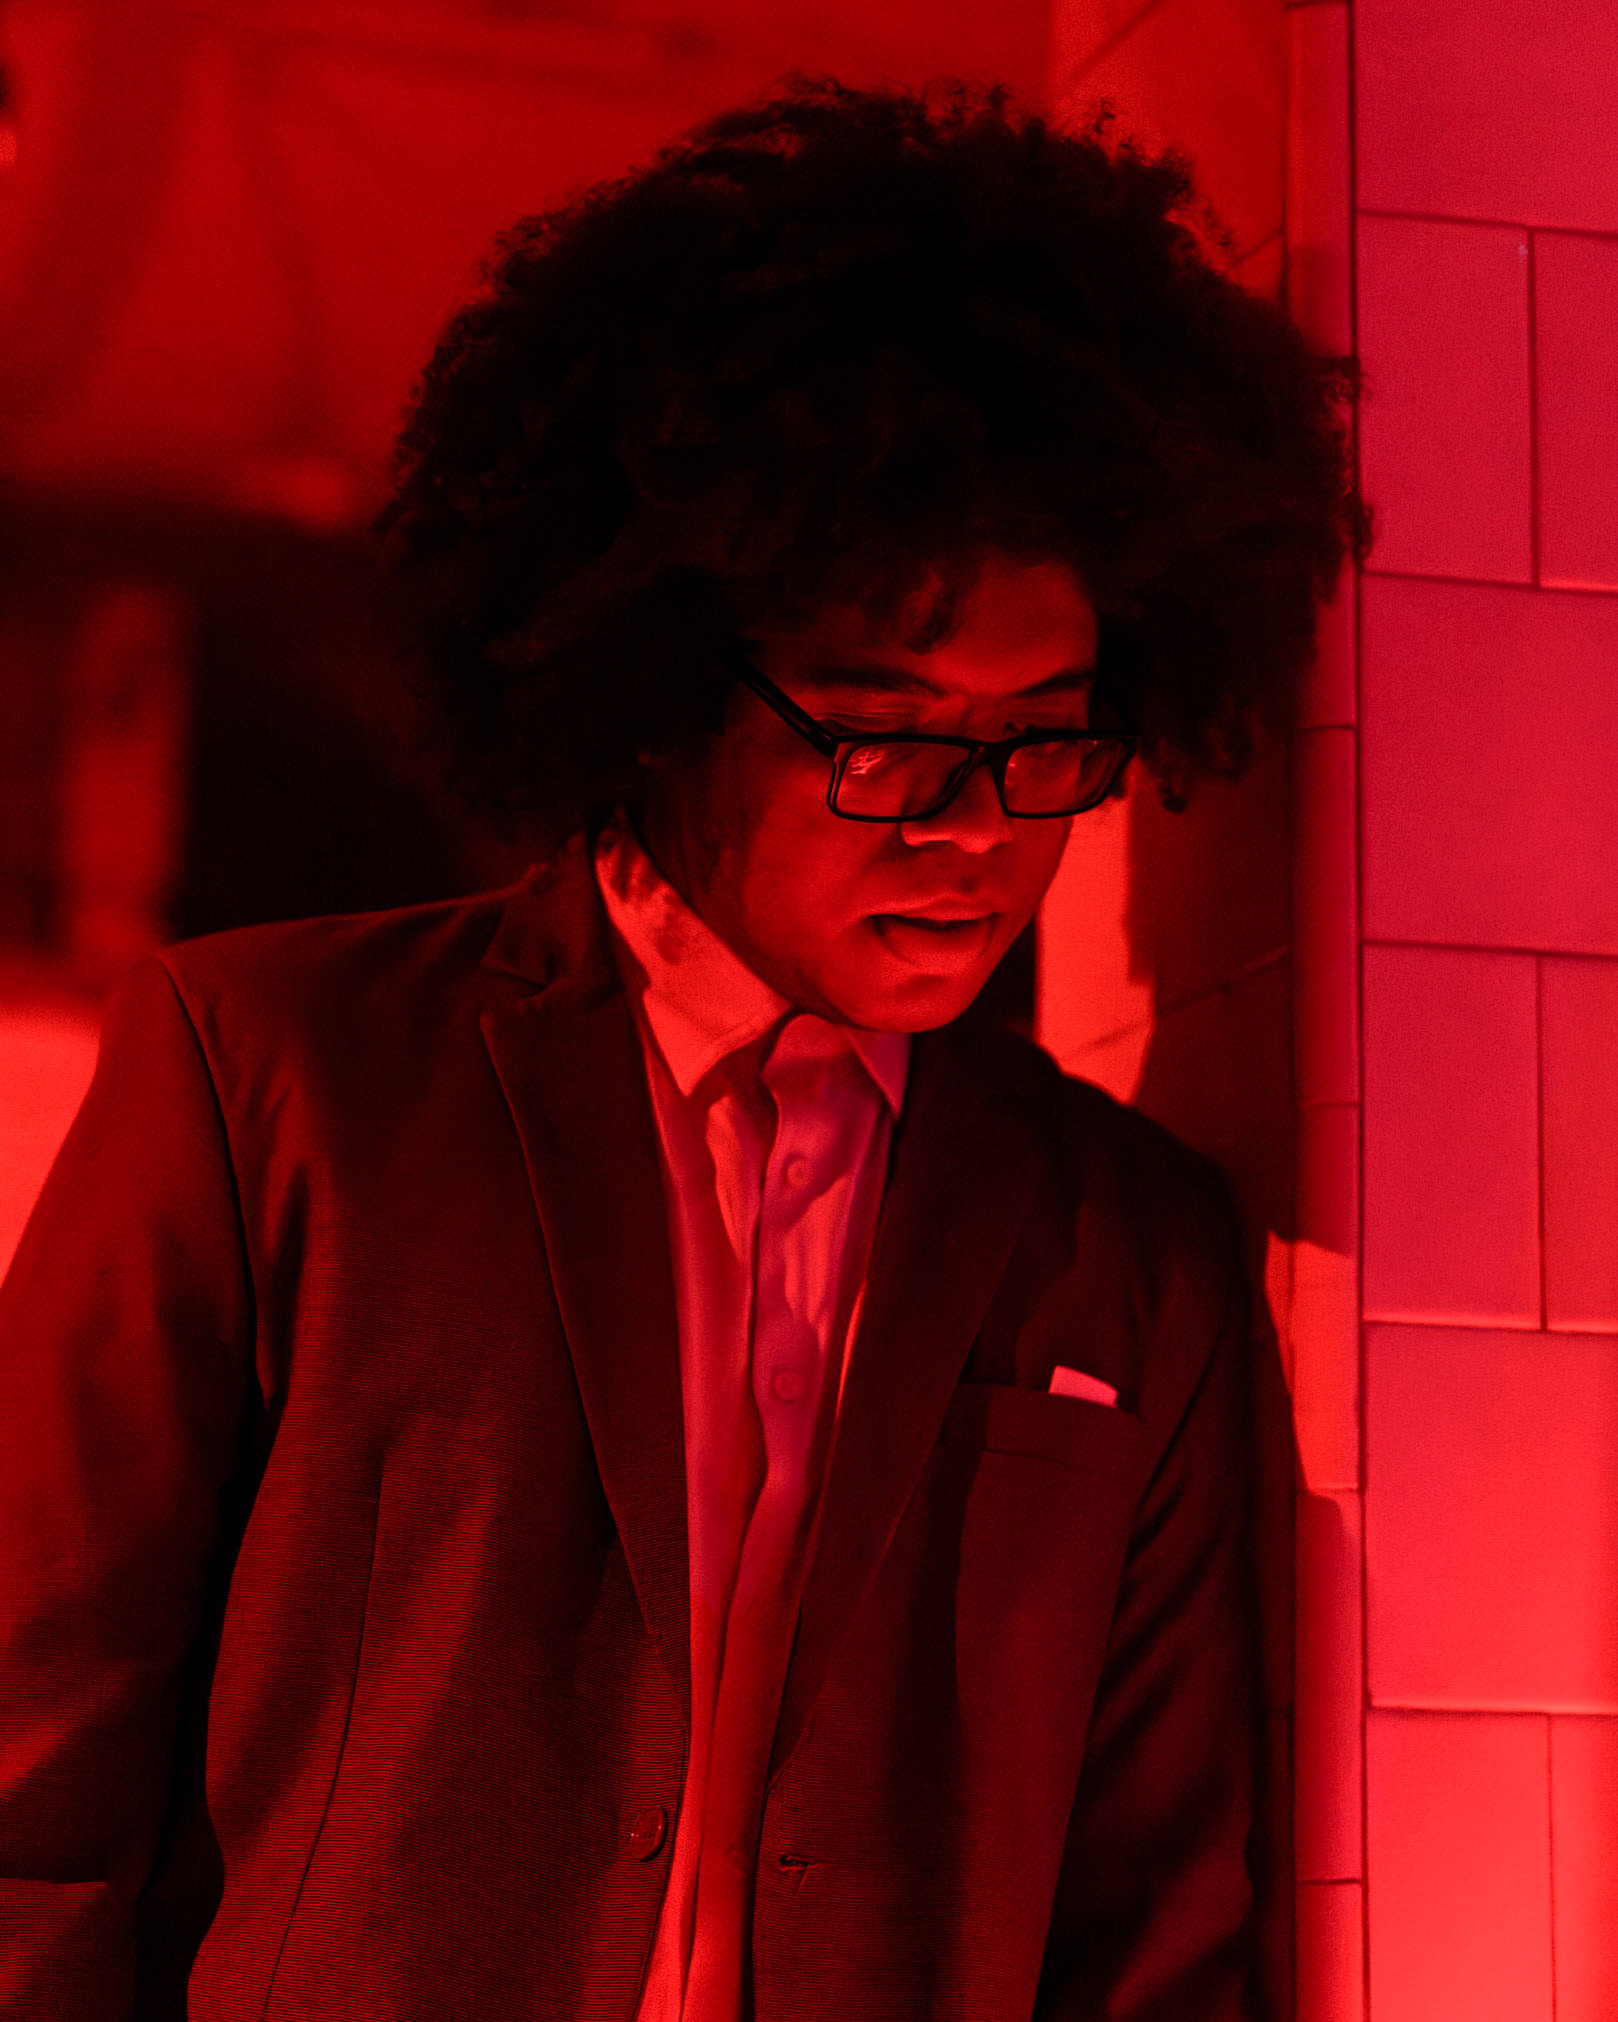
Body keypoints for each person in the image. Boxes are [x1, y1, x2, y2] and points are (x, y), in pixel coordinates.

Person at [0, 78, 1369, 2022]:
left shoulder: (1130, 1255)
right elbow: (32, 1790)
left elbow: (1152, 1940)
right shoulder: (273, 1081)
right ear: (656, 687)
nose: (972, 827)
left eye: (1042, 740)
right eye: (884, 735)